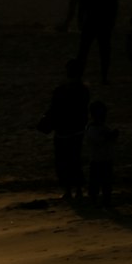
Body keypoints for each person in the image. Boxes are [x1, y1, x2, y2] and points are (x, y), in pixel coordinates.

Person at [38, 57, 90, 202]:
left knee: (63, 161)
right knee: (74, 160)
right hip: (77, 130)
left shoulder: (61, 90)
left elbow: (54, 109)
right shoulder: (83, 90)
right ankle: (78, 190)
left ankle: (68, 190)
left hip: (63, 131)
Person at [77, 0, 118, 84]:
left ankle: (80, 76)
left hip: (94, 21)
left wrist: (80, 18)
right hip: (100, 22)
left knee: (86, 50)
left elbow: (82, 4)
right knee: (101, 51)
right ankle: (103, 77)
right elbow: (114, 7)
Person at [84, 99, 117, 207]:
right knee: (98, 183)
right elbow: (98, 141)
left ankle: (102, 201)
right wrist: (111, 136)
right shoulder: (93, 128)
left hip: (103, 158)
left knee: (103, 183)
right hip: (98, 159)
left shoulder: (99, 127)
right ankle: (96, 201)